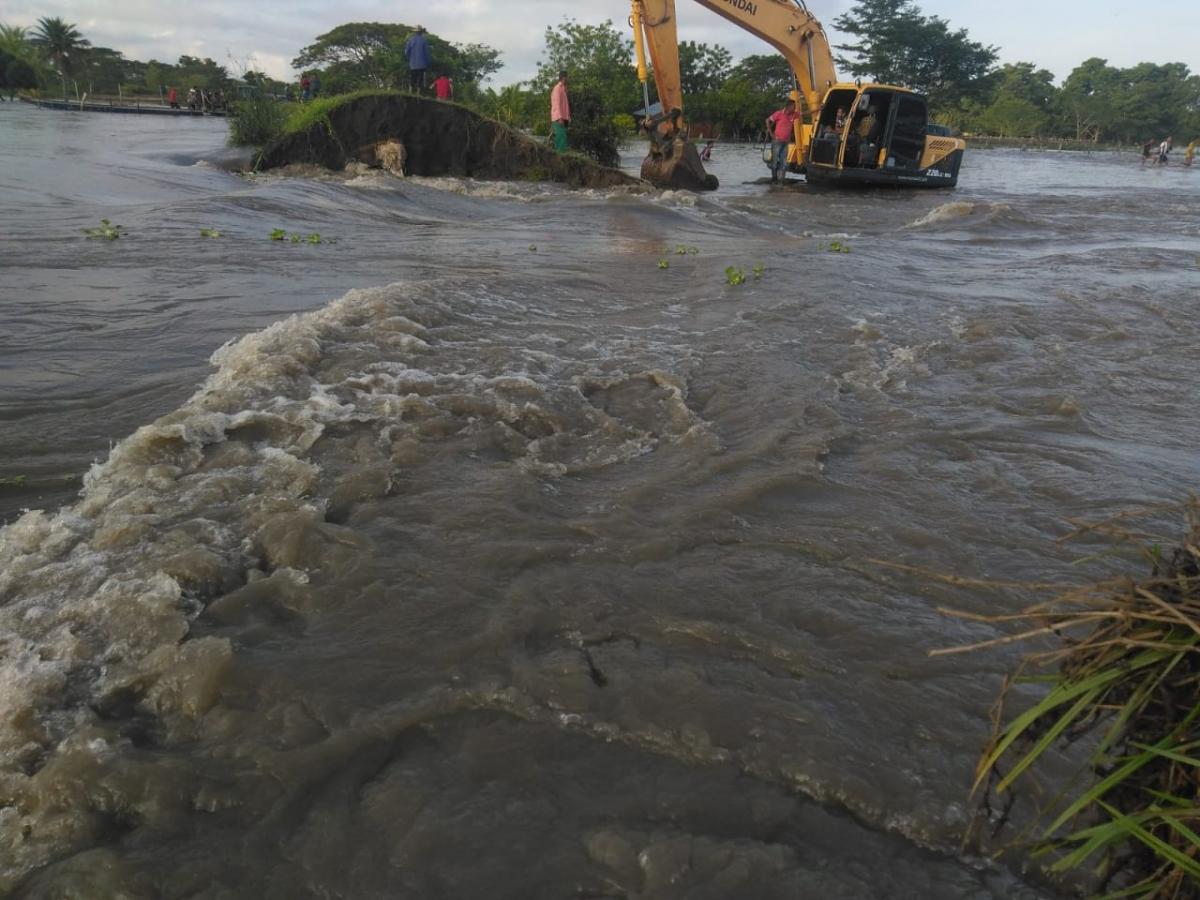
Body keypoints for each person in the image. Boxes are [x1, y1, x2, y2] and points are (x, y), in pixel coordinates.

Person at [765, 98, 799, 183]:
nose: (795, 108)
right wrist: (771, 133)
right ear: (789, 107)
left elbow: (805, 113)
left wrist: (818, 109)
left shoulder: (794, 115)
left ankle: (781, 179)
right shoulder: (779, 114)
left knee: (784, 161)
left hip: (785, 142)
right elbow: (767, 120)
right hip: (777, 141)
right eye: (794, 107)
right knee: (775, 160)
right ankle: (774, 178)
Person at [404, 25, 432, 93]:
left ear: (415, 32)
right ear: (421, 32)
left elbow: (406, 51)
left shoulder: (410, 40)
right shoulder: (424, 40)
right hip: (422, 63)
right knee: (420, 78)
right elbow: (426, 53)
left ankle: (410, 91)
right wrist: (428, 62)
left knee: (412, 77)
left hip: (413, 63)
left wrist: (409, 58)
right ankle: (418, 93)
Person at [550, 70, 570, 153]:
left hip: (564, 118)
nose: (568, 79)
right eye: (567, 77)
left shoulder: (563, 89)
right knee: (560, 139)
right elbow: (556, 104)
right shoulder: (557, 88)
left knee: (563, 139)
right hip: (559, 118)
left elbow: (565, 105)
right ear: (564, 77)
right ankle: (559, 159)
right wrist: (559, 118)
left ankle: (561, 158)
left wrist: (568, 117)